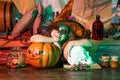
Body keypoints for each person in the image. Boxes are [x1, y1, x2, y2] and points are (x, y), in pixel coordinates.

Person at [30, 23, 94, 69]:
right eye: (56, 28)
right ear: (51, 30)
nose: (59, 32)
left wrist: (71, 43)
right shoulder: (46, 39)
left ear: (66, 35)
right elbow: (33, 38)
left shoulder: (67, 43)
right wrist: (54, 40)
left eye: (63, 31)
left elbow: (90, 43)